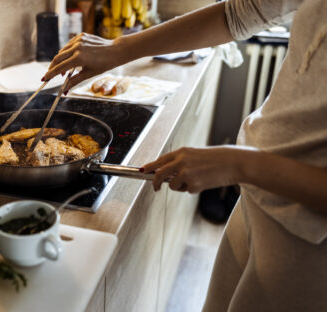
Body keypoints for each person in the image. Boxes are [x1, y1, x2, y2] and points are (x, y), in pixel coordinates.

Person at [43, 0, 327, 311]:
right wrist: (117, 49)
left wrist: (240, 164)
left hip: (310, 236)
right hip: (259, 191)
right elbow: (237, 14)